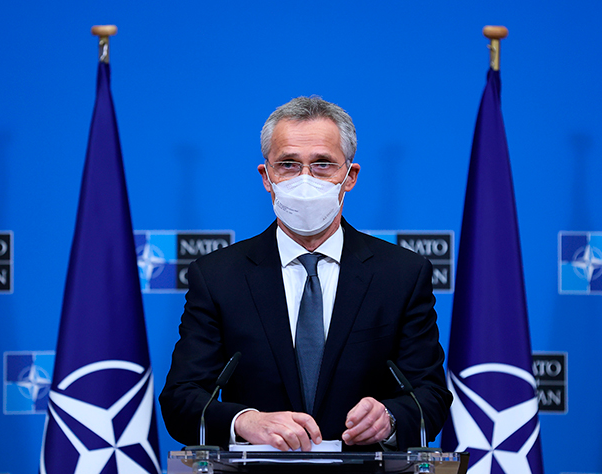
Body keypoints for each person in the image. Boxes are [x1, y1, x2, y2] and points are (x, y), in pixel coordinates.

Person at [159, 96, 451, 452]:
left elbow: (431, 397)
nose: (305, 180)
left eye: (323, 164)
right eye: (289, 165)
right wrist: (245, 421)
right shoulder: (218, 276)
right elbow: (180, 399)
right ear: (267, 177)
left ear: (350, 176)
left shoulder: (402, 275)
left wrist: (389, 417)